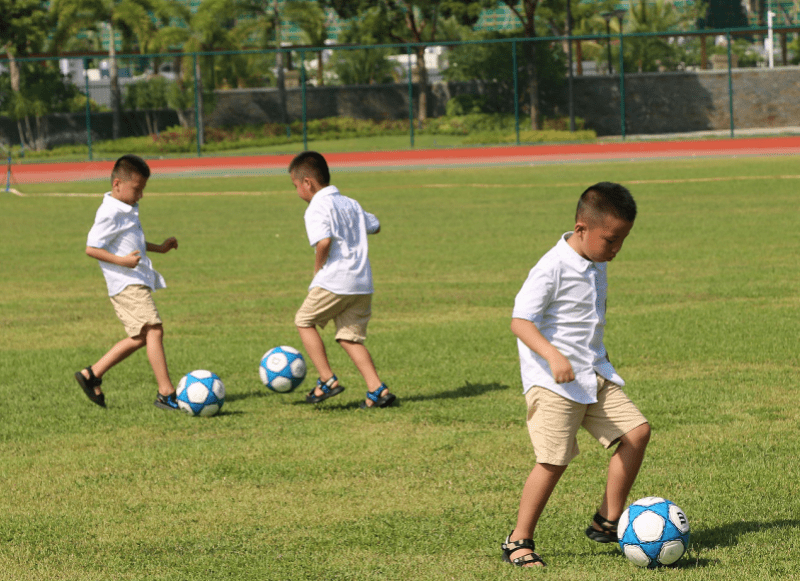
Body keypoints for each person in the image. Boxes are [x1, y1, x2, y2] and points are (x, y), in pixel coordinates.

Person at [502, 182, 651, 567]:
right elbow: (521, 321)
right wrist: (553, 356)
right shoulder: (551, 266)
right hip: (553, 382)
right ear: (581, 228)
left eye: (622, 241)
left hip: (593, 374)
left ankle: (607, 520)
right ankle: (518, 540)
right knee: (553, 460)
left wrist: (598, 355)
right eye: (610, 240)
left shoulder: (596, 262)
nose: (616, 249)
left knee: (636, 432)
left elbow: (587, 320)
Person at [289, 151, 395, 409]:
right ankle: (377, 390)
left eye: (295, 186)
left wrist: (318, 268)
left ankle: (327, 379)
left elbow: (324, 241)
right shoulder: (350, 203)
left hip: (336, 280)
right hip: (362, 283)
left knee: (303, 321)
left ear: (308, 183)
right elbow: (376, 224)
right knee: (349, 338)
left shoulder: (316, 207)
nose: (297, 192)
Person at [74, 154, 180, 411]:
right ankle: (166, 393)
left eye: (143, 190)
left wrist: (159, 248)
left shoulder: (126, 207)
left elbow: (132, 243)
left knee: (141, 336)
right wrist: (121, 262)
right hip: (125, 283)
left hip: (134, 279)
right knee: (154, 329)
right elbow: (91, 248)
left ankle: (92, 374)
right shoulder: (109, 211)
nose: (140, 195)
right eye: (137, 189)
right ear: (117, 184)